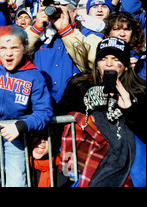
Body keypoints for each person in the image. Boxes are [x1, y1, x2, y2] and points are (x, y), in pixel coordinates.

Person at [58, 37, 145, 187]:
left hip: (130, 164)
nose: (109, 63)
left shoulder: (140, 90)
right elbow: (60, 117)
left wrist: (129, 108)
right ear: (97, 64)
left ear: (125, 65)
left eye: (115, 58)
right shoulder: (79, 85)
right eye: (103, 58)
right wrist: (87, 101)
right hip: (83, 159)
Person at [0, 25, 53, 187]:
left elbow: (44, 111)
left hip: (15, 138)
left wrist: (22, 126)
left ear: (24, 49)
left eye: (14, 48)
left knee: (17, 182)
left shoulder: (34, 76)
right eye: (3, 48)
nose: (8, 53)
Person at [25, 0, 101, 104]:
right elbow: (15, 52)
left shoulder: (89, 33)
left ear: (74, 12)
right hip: (40, 106)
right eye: (51, 6)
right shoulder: (40, 33)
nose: (55, 11)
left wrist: (66, 31)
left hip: (74, 106)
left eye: (60, 7)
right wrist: (36, 29)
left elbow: (91, 61)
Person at [102, 12, 146, 80]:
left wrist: (133, 72)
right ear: (108, 32)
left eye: (127, 29)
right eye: (116, 29)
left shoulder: (140, 59)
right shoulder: (99, 52)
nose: (122, 34)